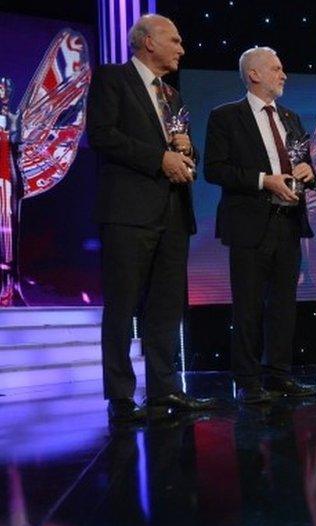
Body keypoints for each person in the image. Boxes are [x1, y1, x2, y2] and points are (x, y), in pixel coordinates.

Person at [87, 14, 216, 423]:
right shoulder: (113, 79)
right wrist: (159, 158)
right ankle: (121, 398)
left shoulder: (173, 95)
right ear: (147, 42)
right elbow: (102, 135)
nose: (182, 48)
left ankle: (165, 391)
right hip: (128, 213)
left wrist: (185, 151)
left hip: (174, 214)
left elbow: (185, 153)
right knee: (123, 306)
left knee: (166, 308)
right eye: (174, 40)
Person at [204, 47, 316, 403]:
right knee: (249, 305)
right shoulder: (226, 116)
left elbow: (308, 168)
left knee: (283, 304)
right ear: (254, 74)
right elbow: (215, 169)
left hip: (288, 223)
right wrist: (263, 180)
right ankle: (249, 380)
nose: (284, 75)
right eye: (277, 69)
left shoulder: (291, 118)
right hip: (249, 223)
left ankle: (279, 374)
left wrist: (308, 172)